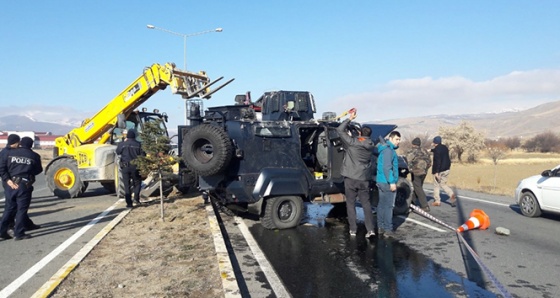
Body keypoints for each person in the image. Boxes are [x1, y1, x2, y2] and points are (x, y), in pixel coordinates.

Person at [336, 110, 376, 238]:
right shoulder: (371, 145)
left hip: (351, 178)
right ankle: (370, 230)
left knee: (351, 204)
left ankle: (353, 229)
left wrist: (349, 118)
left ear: (359, 133)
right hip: (364, 179)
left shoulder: (353, 143)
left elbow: (339, 130)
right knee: (366, 204)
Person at [0, 134, 43, 240]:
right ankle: (19, 233)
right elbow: (38, 170)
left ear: (21, 143)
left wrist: (7, 179)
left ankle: (1, 231)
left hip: (10, 184)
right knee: (21, 210)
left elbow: (3, 167)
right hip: (24, 185)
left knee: (9, 209)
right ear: (31, 145)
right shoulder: (34, 156)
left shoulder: (9, 153)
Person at [376, 131, 401, 237]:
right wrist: (392, 182)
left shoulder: (384, 149)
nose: (398, 142)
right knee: (388, 206)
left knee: (382, 205)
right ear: (390, 139)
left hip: (381, 180)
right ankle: (388, 229)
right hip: (386, 182)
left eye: (399, 140)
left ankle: (380, 227)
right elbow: (387, 167)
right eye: (396, 139)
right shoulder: (388, 151)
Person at [116, 129, 144, 208]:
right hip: (135, 166)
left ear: (127, 136)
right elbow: (143, 155)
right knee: (137, 182)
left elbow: (117, 152)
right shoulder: (139, 144)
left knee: (126, 184)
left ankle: (129, 203)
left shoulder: (122, 144)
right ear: (134, 136)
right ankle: (136, 199)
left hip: (125, 167)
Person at [405, 137, 432, 212]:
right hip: (424, 171)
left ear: (413, 144)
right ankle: (412, 202)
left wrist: (409, 170)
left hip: (416, 171)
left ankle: (425, 206)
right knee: (418, 187)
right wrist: (425, 169)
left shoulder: (412, 151)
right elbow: (430, 162)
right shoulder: (425, 151)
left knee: (418, 187)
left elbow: (408, 161)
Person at [431, 136, 456, 207]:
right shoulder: (445, 147)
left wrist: (436, 172)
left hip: (439, 170)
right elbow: (439, 151)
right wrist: (432, 150)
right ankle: (451, 194)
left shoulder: (436, 150)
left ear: (435, 142)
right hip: (447, 169)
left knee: (436, 185)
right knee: (443, 184)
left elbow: (438, 162)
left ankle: (437, 201)